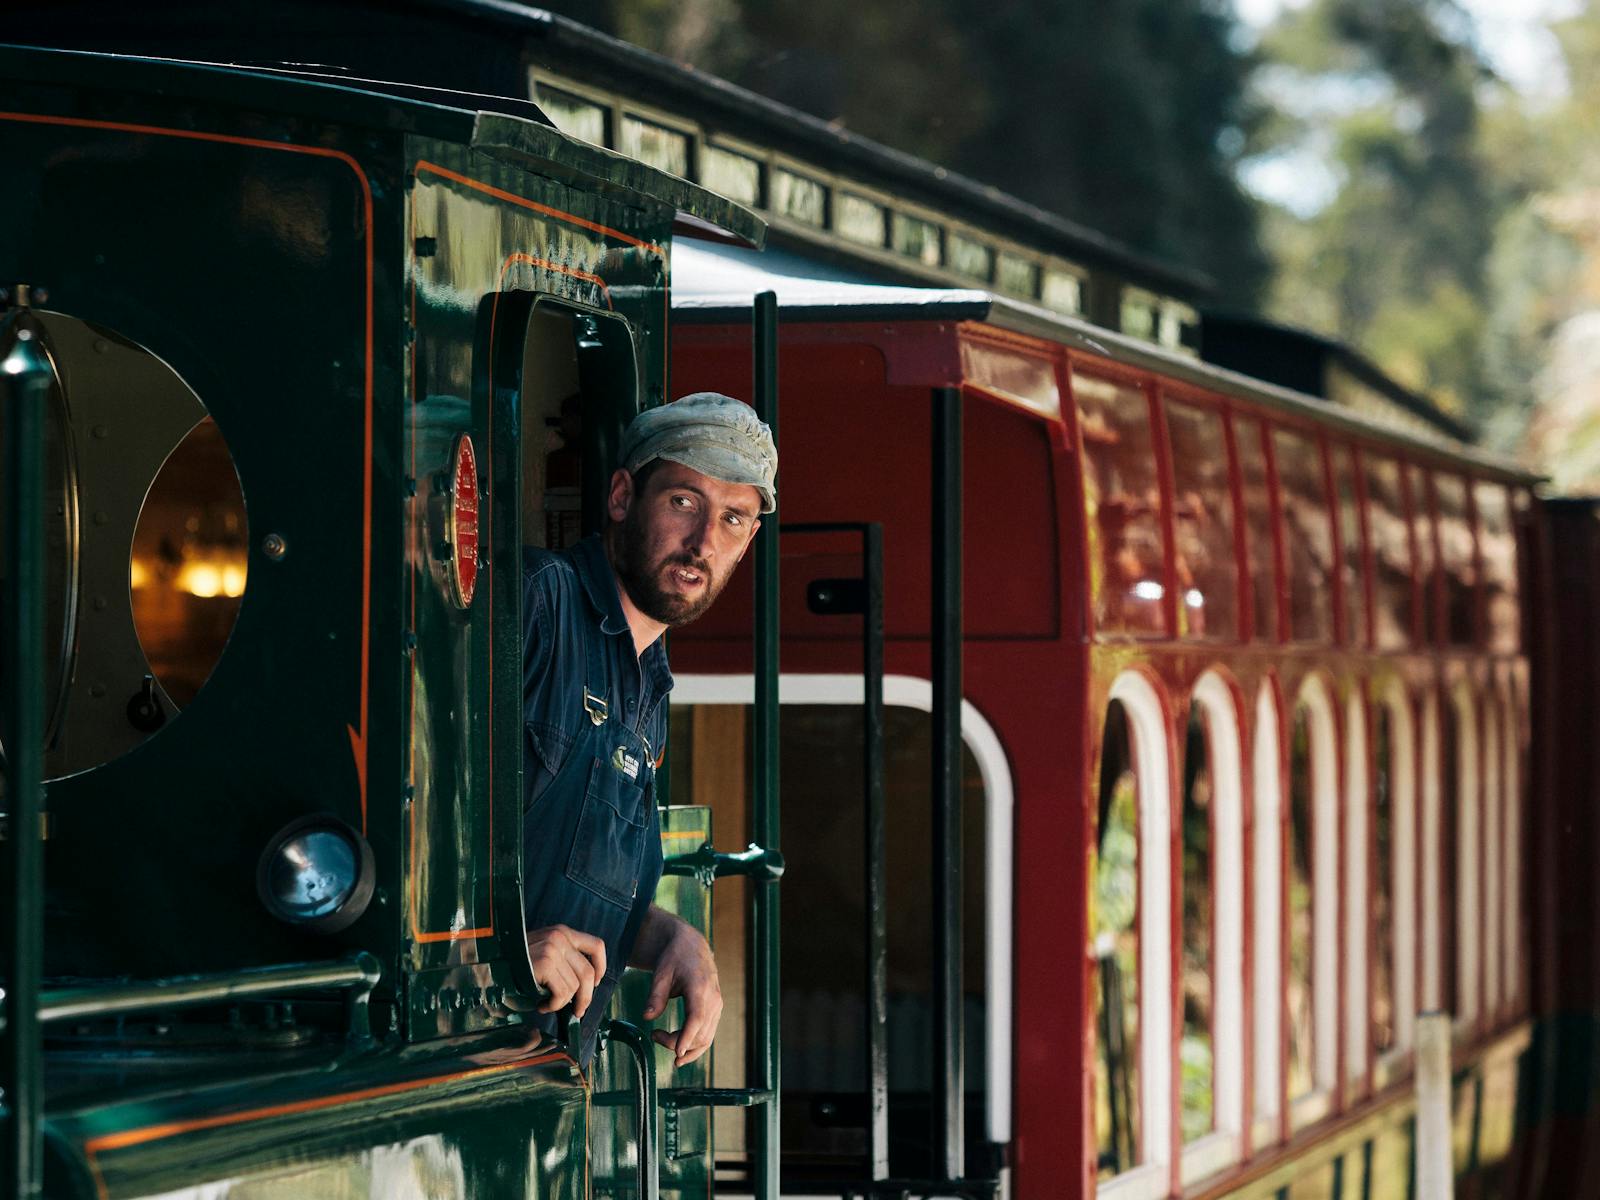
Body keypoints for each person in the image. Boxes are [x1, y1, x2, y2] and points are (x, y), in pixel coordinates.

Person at [521, 391, 776, 1068]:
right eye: (683, 502)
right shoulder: (536, 602)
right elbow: (407, 827)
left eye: (732, 519)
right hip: (456, 1060)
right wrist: (502, 953)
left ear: (749, 540)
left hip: (547, 1084)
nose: (702, 544)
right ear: (621, 496)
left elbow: (578, 887)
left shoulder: (650, 684)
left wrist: (669, 938)